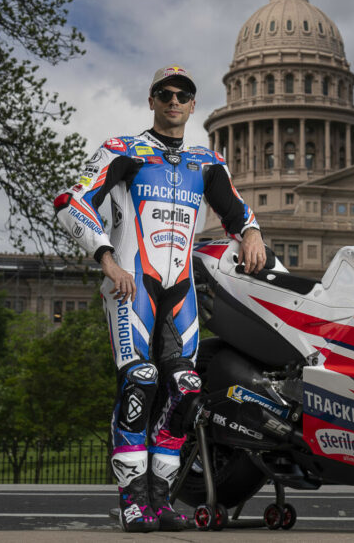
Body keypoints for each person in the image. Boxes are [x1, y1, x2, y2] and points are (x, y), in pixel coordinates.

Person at [53, 64, 265, 533]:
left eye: (182, 95)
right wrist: (106, 259)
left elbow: (237, 210)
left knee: (187, 389)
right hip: (132, 282)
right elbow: (72, 201)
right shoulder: (124, 150)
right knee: (141, 380)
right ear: (151, 100)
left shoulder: (206, 163)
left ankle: (161, 498)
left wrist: (251, 232)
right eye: (164, 94)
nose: (173, 101)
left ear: (193, 104)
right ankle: (132, 500)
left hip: (180, 288)